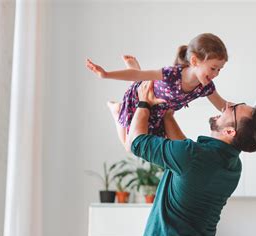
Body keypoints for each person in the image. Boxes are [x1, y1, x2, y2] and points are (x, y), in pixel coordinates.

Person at [128, 81, 256, 236]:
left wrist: (144, 103)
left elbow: (137, 142)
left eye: (234, 109)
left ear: (230, 131)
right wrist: (167, 116)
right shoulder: (233, 166)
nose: (227, 105)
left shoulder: (193, 156)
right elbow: (186, 157)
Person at [86, 33, 230, 151]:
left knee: (157, 145)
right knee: (130, 147)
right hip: (138, 100)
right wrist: (106, 74)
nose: (216, 73)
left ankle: (135, 70)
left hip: (158, 112)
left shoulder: (205, 87)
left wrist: (250, 112)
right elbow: (138, 76)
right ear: (194, 61)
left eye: (219, 69)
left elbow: (223, 105)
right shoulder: (172, 74)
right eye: (213, 68)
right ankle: (116, 110)